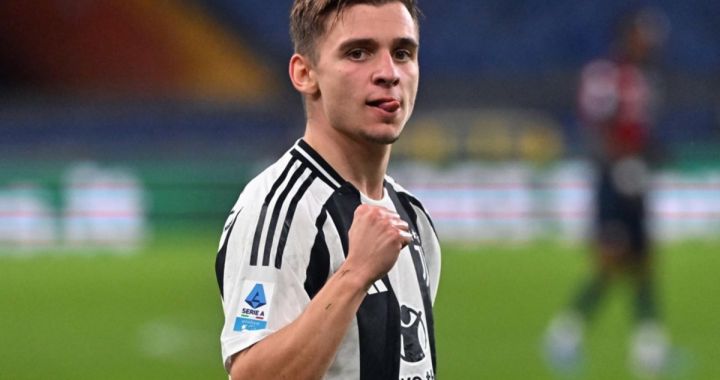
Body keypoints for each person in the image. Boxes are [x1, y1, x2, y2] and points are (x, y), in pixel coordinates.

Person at [214, 1, 440, 379]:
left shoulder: (412, 216)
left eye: (403, 53)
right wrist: (354, 275)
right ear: (305, 73)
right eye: (358, 53)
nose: (388, 73)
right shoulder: (279, 208)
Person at [544, 7, 670, 378]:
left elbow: (643, 133)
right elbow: (597, 128)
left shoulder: (646, 79)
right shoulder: (605, 76)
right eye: (642, 36)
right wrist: (618, 168)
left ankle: (649, 349)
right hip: (613, 181)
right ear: (627, 36)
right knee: (611, 261)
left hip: (636, 178)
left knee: (644, 261)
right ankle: (564, 335)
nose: (648, 44)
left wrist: (648, 159)